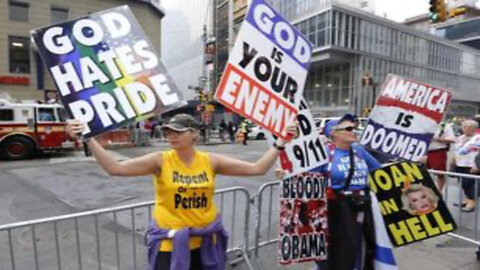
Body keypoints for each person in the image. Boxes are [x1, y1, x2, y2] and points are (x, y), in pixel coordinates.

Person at [66, 114, 295, 270]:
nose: (171, 135)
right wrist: (89, 139)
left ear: (194, 134)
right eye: (167, 131)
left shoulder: (210, 161)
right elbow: (115, 168)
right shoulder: (160, 160)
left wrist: (280, 143)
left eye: (178, 131)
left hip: (206, 243)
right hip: (171, 245)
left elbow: (258, 168)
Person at [277, 114, 387, 270]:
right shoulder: (323, 153)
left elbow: (381, 171)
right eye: (349, 128)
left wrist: (414, 164)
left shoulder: (359, 151)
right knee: (337, 254)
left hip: (362, 209)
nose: (354, 131)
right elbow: (304, 177)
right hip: (335, 212)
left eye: (354, 128)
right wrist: (286, 173)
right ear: (333, 133)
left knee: (361, 249)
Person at [453, 119, 480, 212]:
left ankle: (472, 203)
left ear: (473, 128)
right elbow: (456, 150)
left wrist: (477, 165)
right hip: (459, 164)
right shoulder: (460, 137)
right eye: (463, 126)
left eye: (466, 126)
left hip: (471, 165)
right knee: (463, 184)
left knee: (469, 184)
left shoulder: (478, 138)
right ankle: (467, 200)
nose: (463, 128)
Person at [426, 121, 455, 193]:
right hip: (422, 150)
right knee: (420, 171)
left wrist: (437, 139)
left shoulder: (444, 125)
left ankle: (439, 191)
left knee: (440, 174)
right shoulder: (422, 122)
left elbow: (452, 139)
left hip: (437, 151)